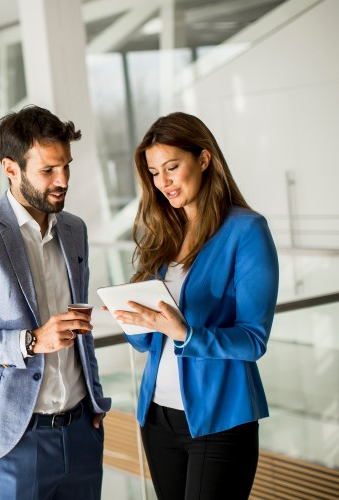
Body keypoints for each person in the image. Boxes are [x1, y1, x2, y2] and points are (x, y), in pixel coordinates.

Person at [0, 105, 111, 500]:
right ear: (11, 169)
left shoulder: (74, 229)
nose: (62, 180)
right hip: (13, 443)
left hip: (82, 432)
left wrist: (96, 402)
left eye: (66, 166)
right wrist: (30, 341)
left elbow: (77, 326)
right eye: (48, 170)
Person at [112, 112, 279, 499]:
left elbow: (254, 340)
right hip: (156, 418)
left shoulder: (247, 230)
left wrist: (185, 332)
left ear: (204, 159)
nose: (163, 182)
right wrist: (135, 319)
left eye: (172, 167)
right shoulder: (163, 234)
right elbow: (148, 344)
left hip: (220, 422)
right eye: (154, 172)